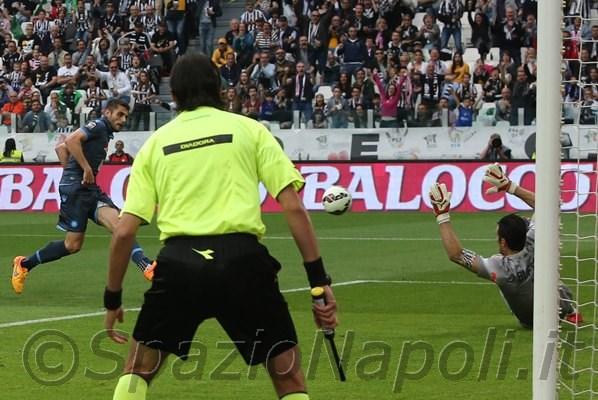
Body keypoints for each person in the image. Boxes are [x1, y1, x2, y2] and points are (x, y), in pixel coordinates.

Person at [103, 53, 337, 400]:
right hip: (243, 262)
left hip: (179, 265)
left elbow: (124, 231)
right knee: (289, 379)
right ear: (219, 87)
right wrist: (318, 283)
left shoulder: (155, 144)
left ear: (175, 96)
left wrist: (112, 299)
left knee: (136, 373)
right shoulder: (250, 130)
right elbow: (293, 207)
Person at [11, 99, 154, 295]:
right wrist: (84, 169)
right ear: (108, 112)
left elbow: (61, 148)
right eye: (119, 114)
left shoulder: (104, 133)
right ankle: (24, 264)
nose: (123, 120)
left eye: (126, 117)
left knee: (119, 227)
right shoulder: (98, 126)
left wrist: (72, 171)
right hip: (77, 191)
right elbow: (71, 141)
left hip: (88, 188)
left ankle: (146, 265)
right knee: (73, 245)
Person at [429, 163, 582, 328]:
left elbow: (456, 255)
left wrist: (442, 215)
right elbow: (548, 207)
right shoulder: (534, 239)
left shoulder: (499, 266)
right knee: (546, 268)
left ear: (503, 242)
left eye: (497, 235)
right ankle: (572, 311)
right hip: (558, 309)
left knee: (504, 284)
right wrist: (510, 187)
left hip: (530, 321)